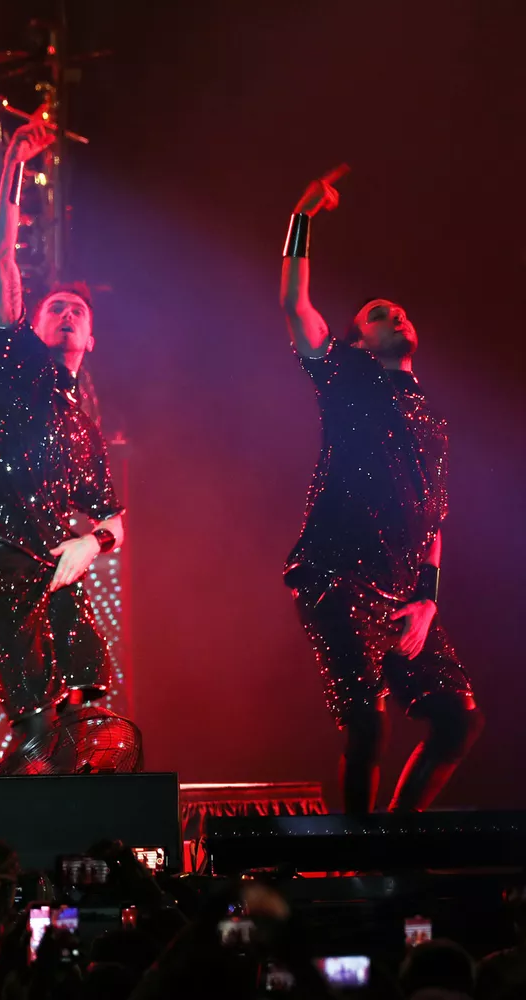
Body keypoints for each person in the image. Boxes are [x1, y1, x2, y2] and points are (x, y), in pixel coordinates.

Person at [278, 168, 482, 813]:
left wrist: (427, 601)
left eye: (400, 309)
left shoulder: (432, 419)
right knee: (368, 722)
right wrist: (303, 215)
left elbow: (435, 518)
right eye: (377, 313)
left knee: (459, 719)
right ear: (359, 338)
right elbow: (295, 308)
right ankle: (362, 863)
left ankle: (393, 844)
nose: (395, 312)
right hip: (337, 577)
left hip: (401, 594)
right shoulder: (345, 375)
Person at [0, 121, 128, 776]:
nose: (68, 312)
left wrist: (91, 544)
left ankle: (72, 843)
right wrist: (12, 166)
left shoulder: (84, 423)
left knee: (85, 712)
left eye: (78, 310)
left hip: (56, 565)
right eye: (55, 306)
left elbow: (115, 517)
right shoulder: (12, 362)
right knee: (33, 729)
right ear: (30, 323)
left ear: (92, 339)